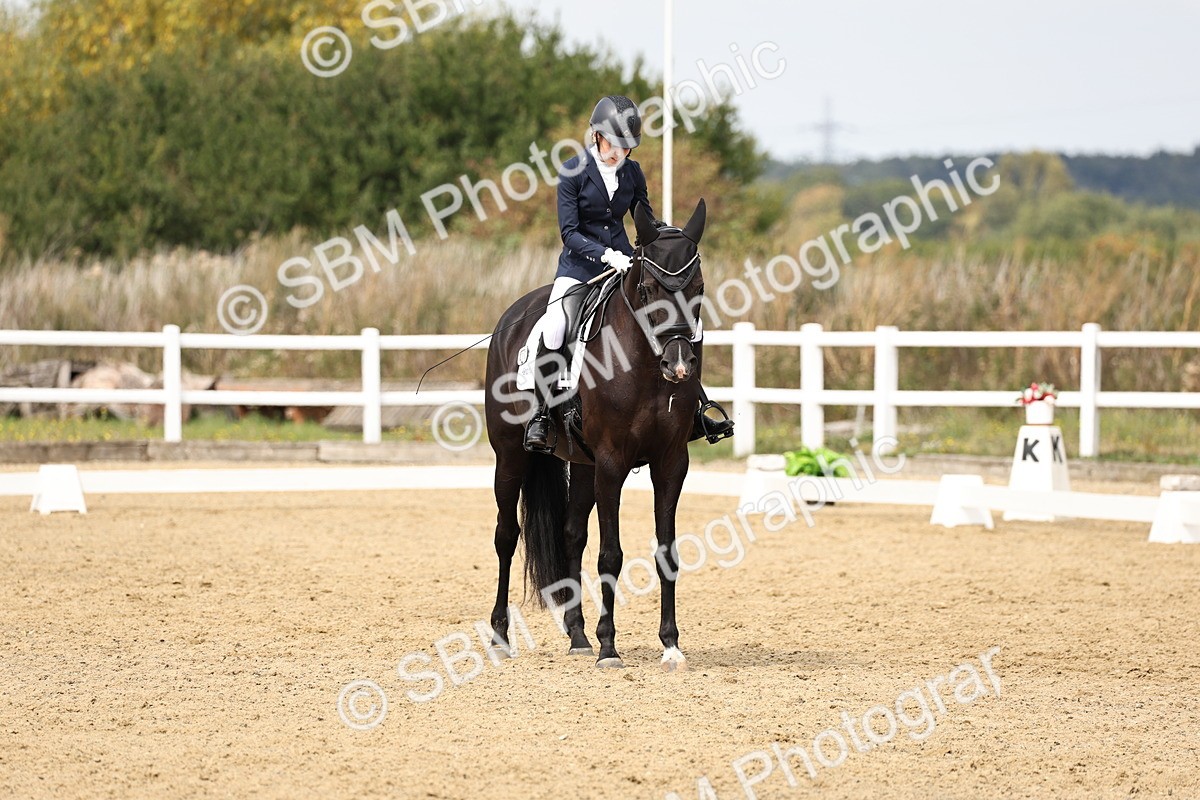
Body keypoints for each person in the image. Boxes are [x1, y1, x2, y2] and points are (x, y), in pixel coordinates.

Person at [523, 95, 733, 453]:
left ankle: (695, 406)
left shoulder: (632, 172)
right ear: (596, 136)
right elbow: (569, 233)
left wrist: (666, 241)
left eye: (627, 146)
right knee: (556, 323)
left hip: (627, 264)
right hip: (580, 268)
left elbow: (644, 218)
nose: (620, 152)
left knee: (684, 322)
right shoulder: (572, 171)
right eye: (614, 143)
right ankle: (541, 413)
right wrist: (606, 255)